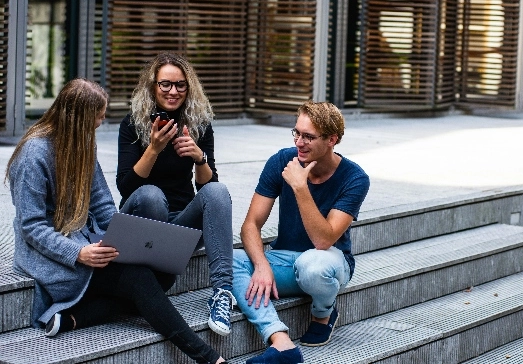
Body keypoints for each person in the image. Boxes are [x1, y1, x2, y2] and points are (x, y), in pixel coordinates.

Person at [5, 78, 229, 364]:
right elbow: (31, 226)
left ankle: (76, 317)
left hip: (89, 243)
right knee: (139, 279)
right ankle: (208, 357)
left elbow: (102, 205)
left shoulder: (82, 144)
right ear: (79, 117)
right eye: (98, 117)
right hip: (53, 256)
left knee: (163, 276)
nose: (101, 122)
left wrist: (123, 238)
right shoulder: (34, 154)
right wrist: (79, 253)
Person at [232, 101, 370, 364]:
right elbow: (250, 224)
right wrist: (261, 265)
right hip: (284, 259)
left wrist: (300, 187)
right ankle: (279, 341)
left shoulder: (355, 178)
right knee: (229, 260)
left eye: (308, 136)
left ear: (332, 139)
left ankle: (323, 313)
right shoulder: (281, 160)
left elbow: (323, 239)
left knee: (313, 265)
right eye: (296, 133)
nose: (299, 142)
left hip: (329, 262)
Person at [116, 52, 234, 336]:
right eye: (165, 84)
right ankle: (149, 283)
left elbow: (208, 191)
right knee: (152, 195)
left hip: (180, 226)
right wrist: (154, 149)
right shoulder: (132, 124)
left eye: (180, 85)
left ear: (189, 87)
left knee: (219, 191)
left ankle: (222, 295)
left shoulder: (199, 123)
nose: (173, 91)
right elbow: (126, 187)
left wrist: (199, 158)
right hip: (142, 222)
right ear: (153, 86)